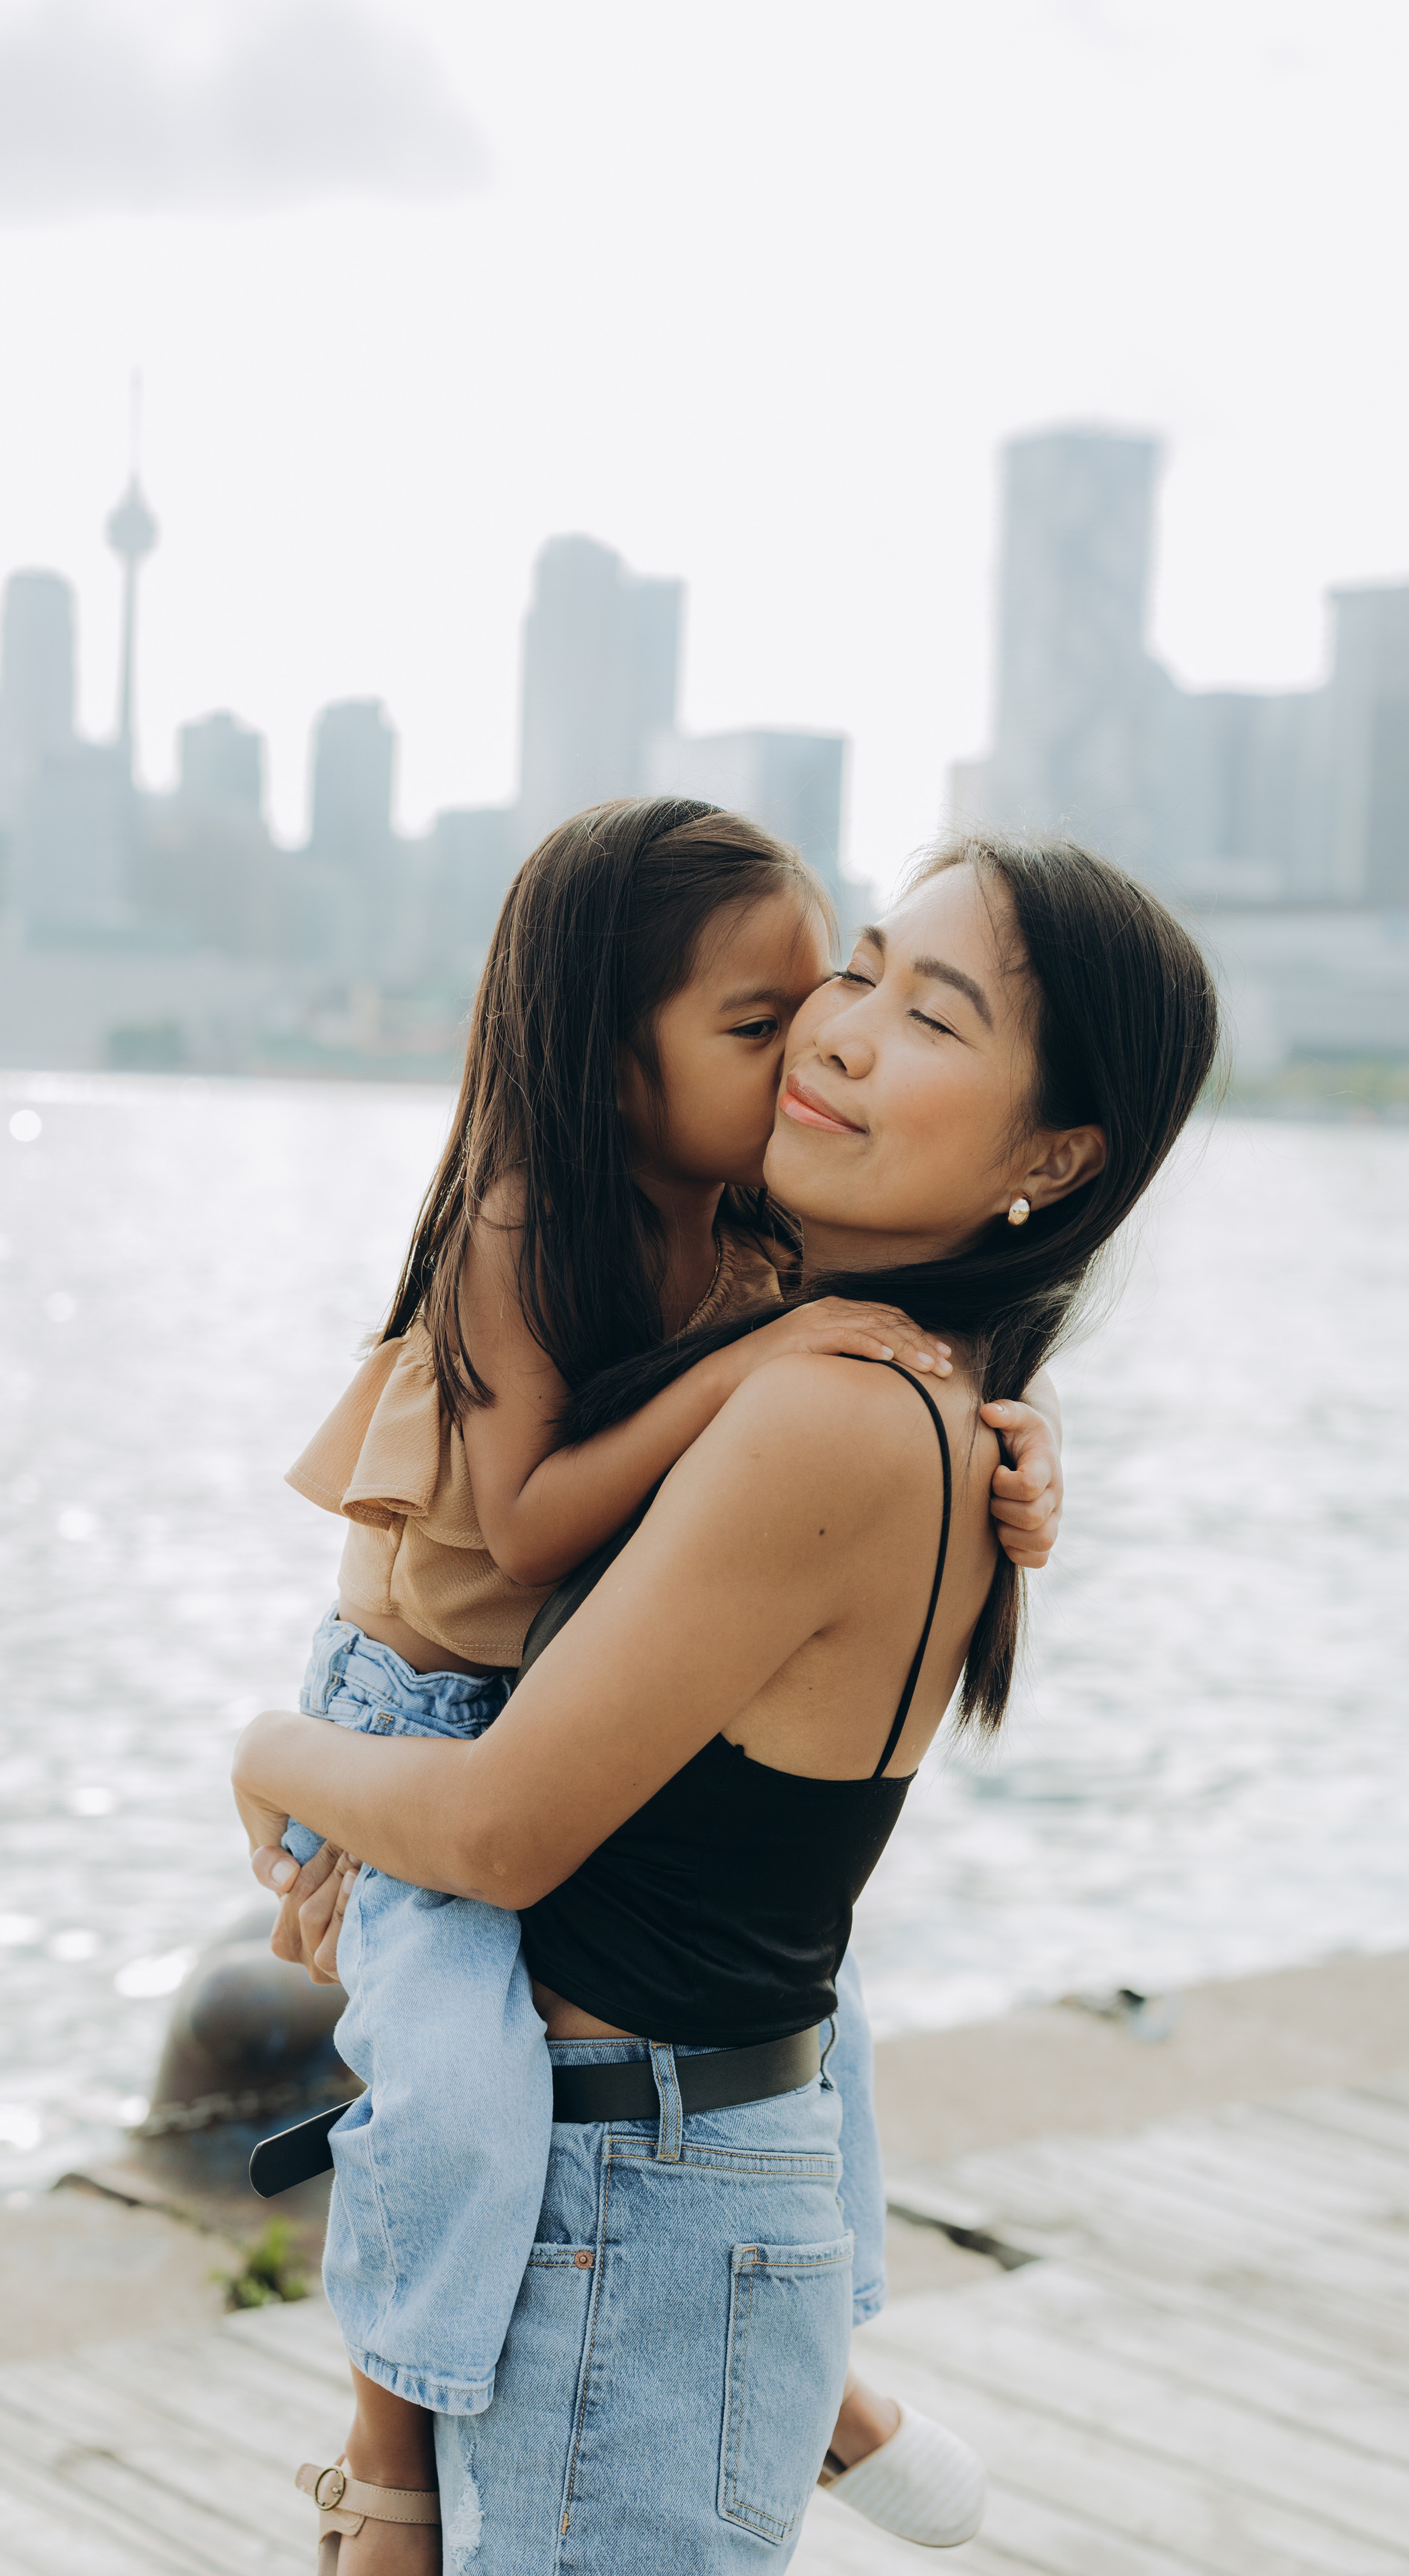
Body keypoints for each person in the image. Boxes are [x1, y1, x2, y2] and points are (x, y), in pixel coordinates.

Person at [238, 827, 1218, 2570]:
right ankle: (776, 2383)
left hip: (635, 2216)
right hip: (684, 2182)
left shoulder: (833, 1398)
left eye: (932, 1014)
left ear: (1054, 1155)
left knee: (443, 2072)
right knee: (457, 2055)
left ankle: (405, 2467)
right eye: (859, 974)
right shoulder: (868, 1364)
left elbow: (498, 1835)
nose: (837, 1033)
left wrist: (270, 1752)